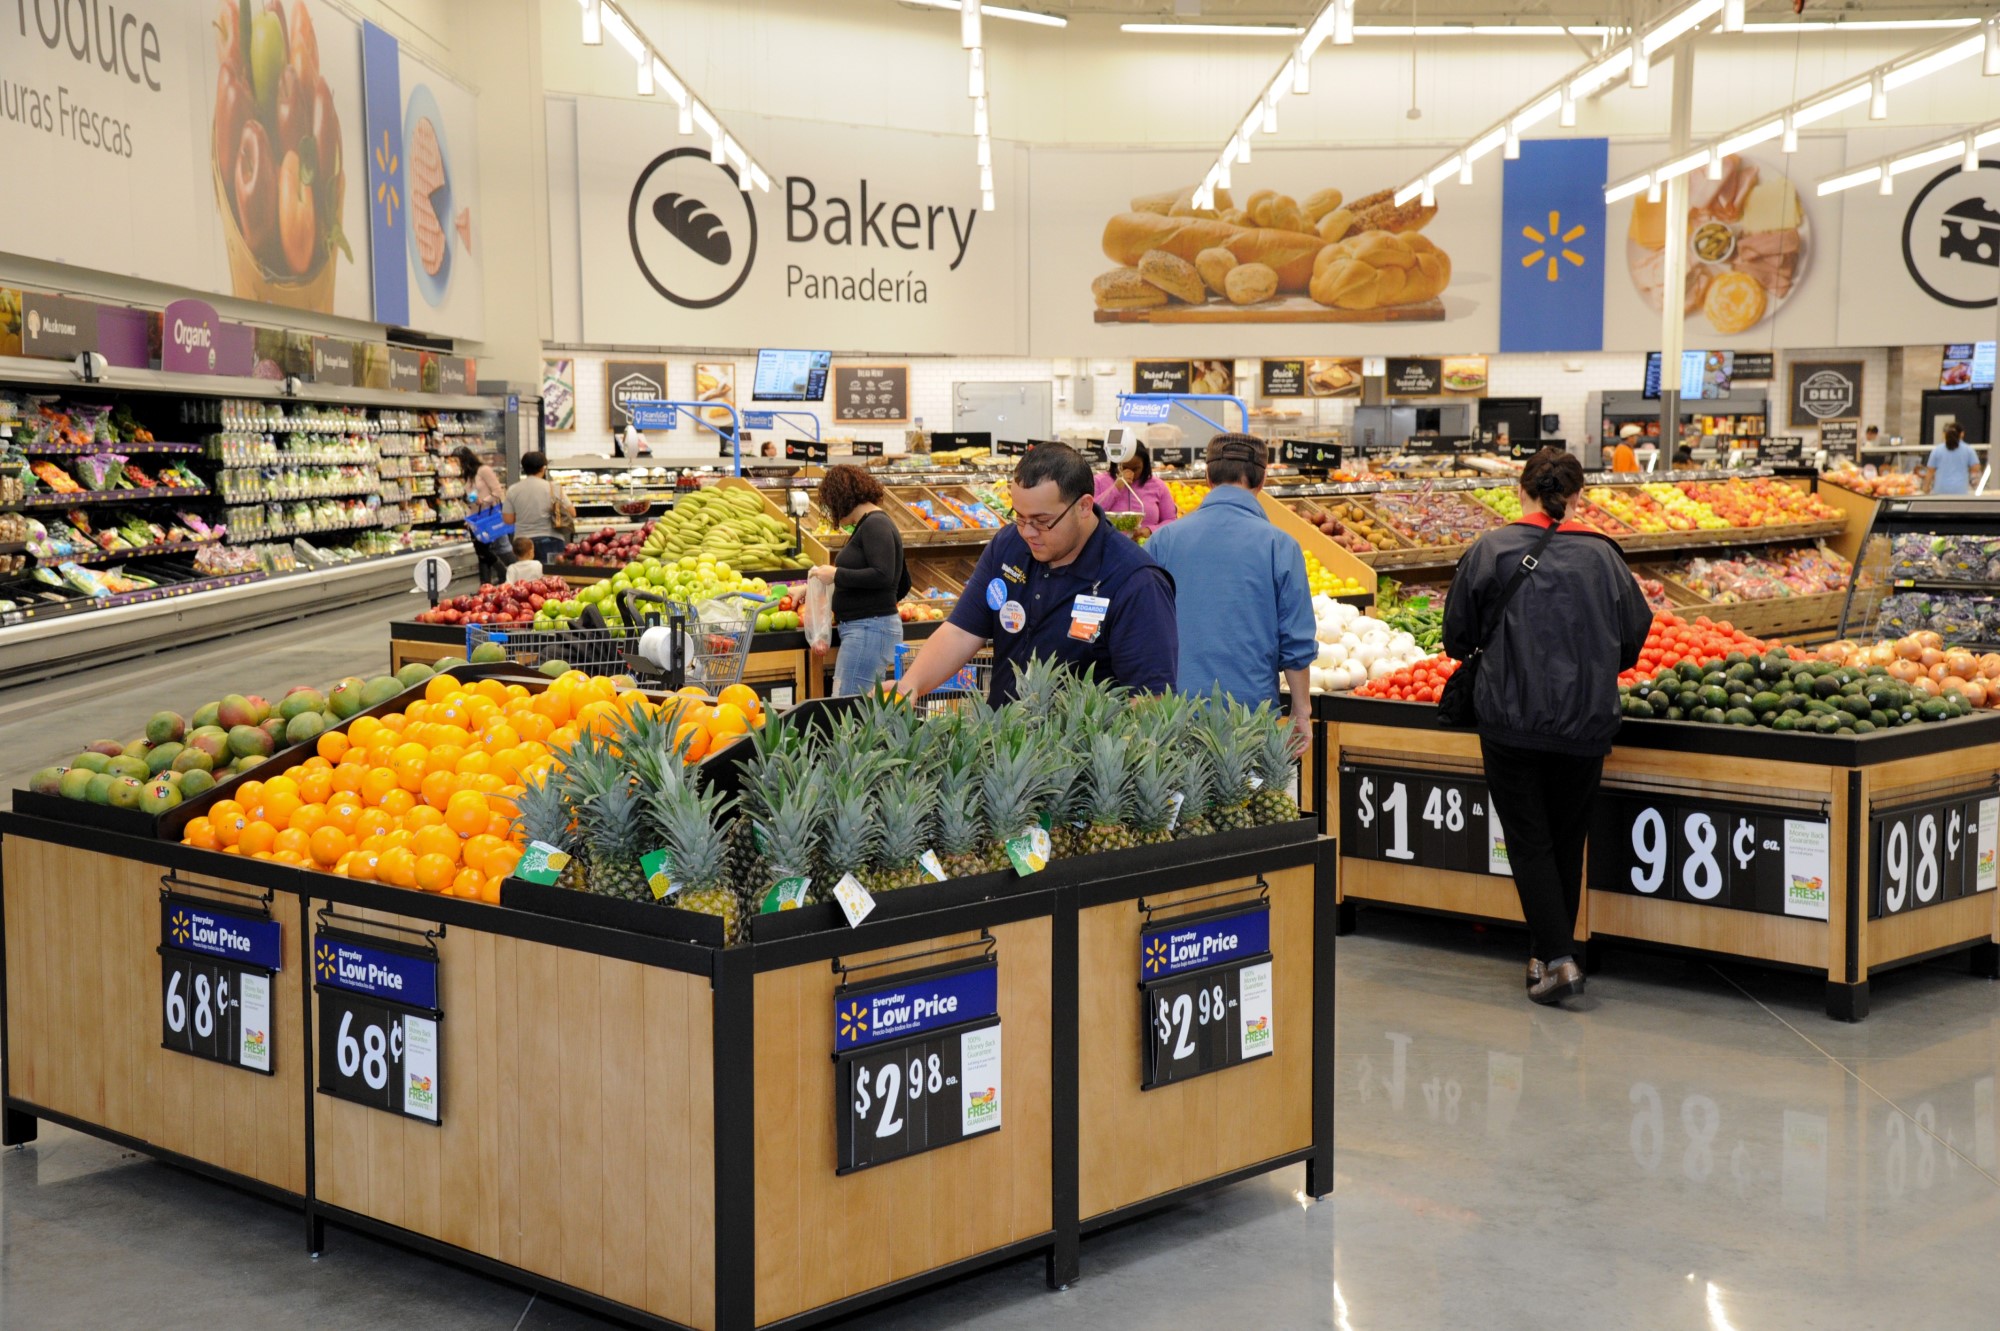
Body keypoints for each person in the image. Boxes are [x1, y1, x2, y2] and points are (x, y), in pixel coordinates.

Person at [1441, 447, 1651, 1007]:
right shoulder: (1604, 556)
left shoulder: (1492, 549)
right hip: (1586, 721)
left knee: (1529, 841)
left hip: (1509, 719)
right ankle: (1544, 954)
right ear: (1578, 496)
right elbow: (1633, 637)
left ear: (1521, 490)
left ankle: (1558, 959)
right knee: (1566, 838)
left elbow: (1456, 638)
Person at [895, 442, 1178, 706]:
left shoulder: (1136, 582)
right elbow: (961, 632)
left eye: (1042, 521)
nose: (1028, 532)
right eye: (1019, 517)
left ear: (1083, 506)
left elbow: (1149, 699)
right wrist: (911, 684)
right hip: (1005, 743)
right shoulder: (1008, 546)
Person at [1144, 434, 1315, 754]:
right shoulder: (1281, 546)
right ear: (1263, 479)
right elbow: (1296, 642)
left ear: (1207, 477)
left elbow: (1140, 629)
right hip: (1250, 717)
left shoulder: (1162, 541)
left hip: (1172, 716)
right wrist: (1301, 712)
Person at [810, 464, 909, 697]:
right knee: (861, 706)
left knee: (850, 708)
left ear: (841, 498)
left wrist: (836, 575)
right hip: (871, 628)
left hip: (868, 630)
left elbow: (883, 574)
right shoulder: (874, 524)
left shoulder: (875, 524)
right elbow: (903, 582)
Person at [503, 451, 576, 565]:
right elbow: (572, 512)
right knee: (551, 578)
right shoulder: (553, 488)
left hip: (523, 543)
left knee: (527, 579)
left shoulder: (513, 489)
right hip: (551, 540)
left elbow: (508, 520)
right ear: (543, 468)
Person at [1093, 442, 1179, 531]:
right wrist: (1116, 488)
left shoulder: (1158, 486)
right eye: (1124, 467)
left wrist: (1150, 530)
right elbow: (1092, 513)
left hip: (1145, 543)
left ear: (1144, 466)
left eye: (1136, 469)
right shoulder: (1099, 481)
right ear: (1116, 463)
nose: (1130, 473)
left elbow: (1171, 520)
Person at [456, 446, 509, 584]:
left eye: (454, 460)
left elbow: (497, 491)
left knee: (484, 550)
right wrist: (470, 501)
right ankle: (485, 585)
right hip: (475, 518)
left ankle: (504, 573)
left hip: (488, 515)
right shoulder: (467, 475)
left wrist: (484, 501)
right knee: (481, 552)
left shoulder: (484, 470)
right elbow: (472, 496)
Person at [1924, 426, 1982, 496]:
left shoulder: (1937, 450)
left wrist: (1926, 488)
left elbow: (1930, 471)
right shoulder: (1968, 449)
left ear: (1945, 435)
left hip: (1940, 489)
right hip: (1960, 490)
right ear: (1960, 435)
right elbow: (1976, 468)